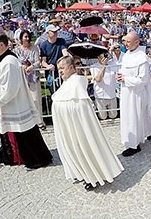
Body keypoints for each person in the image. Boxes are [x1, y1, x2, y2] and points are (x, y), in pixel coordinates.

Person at [51, 56, 124, 190]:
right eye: (58, 69)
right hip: (68, 126)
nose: (60, 71)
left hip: (79, 126)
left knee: (85, 147)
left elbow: (80, 106)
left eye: (62, 68)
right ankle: (83, 172)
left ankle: (94, 175)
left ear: (71, 67)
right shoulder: (66, 82)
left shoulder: (78, 80)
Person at [0, 33, 52, 169]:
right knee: (18, 133)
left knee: (24, 135)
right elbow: (6, 82)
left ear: (2, 45)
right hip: (15, 104)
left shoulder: (9, 62)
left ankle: (34, 159)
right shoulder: (8, 59)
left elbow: (9, 89)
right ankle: (9, 156)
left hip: (14, 105)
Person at [117, 32, 151, 156]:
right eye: (125, 41)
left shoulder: (142, 58)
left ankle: (134, 145)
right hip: (126, 92)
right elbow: (124, 72)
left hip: (137, 93)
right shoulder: (126, 56)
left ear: (137, 42)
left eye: (128, 42)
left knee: (135, 117)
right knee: (134, 116)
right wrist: (119, 76)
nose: (125, 44)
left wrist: (125, 79)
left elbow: (143, 80)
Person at [14, 29, 46, 130]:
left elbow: (37, 61)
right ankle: (28, 122)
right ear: (21, 38)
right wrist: (22, 67)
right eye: (25, 37)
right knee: (24, 100)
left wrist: (31, 67)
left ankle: (40, 121)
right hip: (22, 77)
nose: (27, 39)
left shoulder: (35, 48)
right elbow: (16, 62)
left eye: (28, 37)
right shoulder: (17, 50)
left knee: (36, 99)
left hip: (33, 76)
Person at [39, 24, 69, 92]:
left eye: (56, 31)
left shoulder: (62, 41)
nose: (55, 33)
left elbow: (65, 53)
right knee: (53, 92)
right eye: (53, 31)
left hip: (61, 71)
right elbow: (43, 61)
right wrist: (48, 66)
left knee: (64, 91)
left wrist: (64, 62)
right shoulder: (43, 45)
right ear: (47, 33)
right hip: (50, 73)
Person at [90, 51, 119, 120]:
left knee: (113, 116)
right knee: (103, 117)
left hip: (112, 95)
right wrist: (104, 66)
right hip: (100, 96)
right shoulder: (94, 66)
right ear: (98, 58)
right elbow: (98, 79)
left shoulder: (112, 64)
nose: (105, 58)